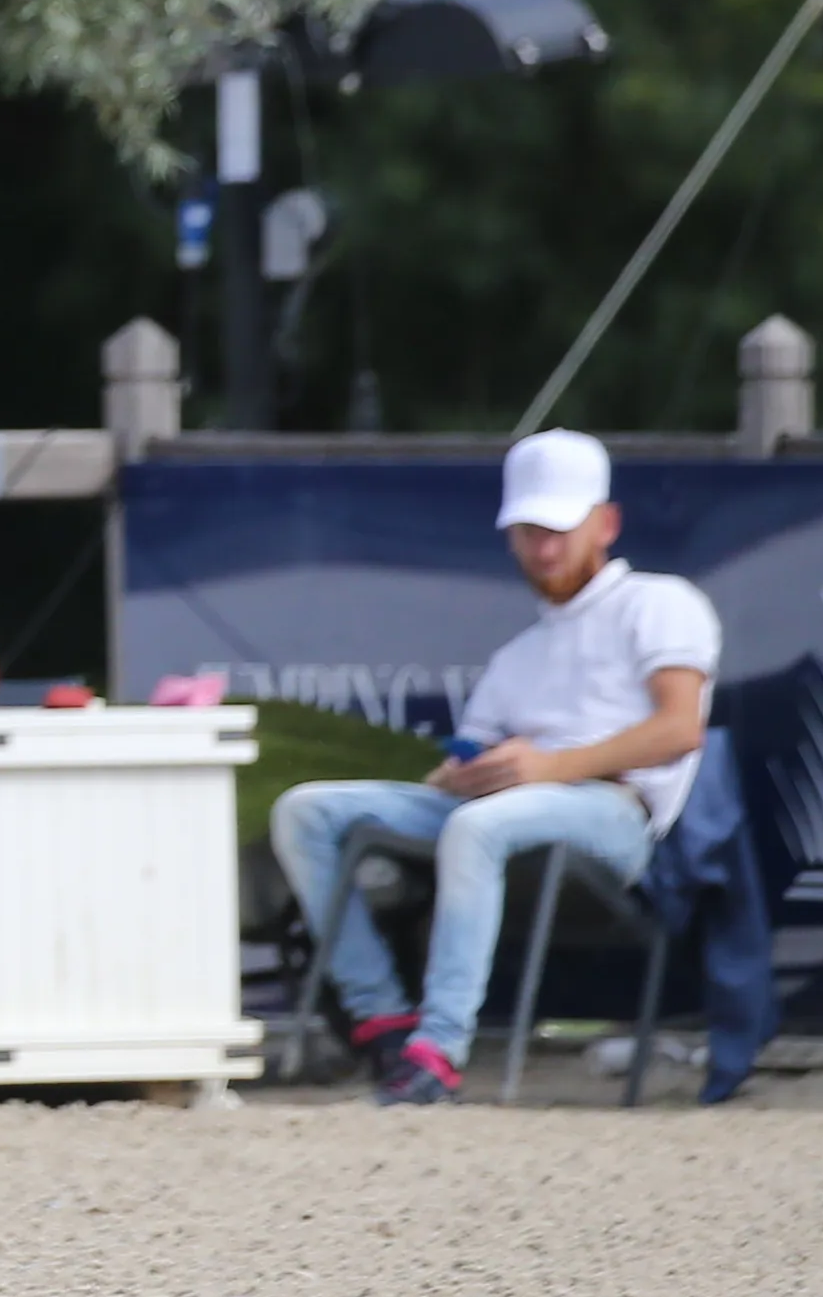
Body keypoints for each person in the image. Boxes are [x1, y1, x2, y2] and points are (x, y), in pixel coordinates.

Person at [267, 429, 718, 1106]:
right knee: (305, 809)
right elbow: (465, 759)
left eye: (557, 529)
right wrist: (459, 775)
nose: (541, 547)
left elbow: (679, 728)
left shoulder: (660, 601)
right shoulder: (517, 654)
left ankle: (436, 1053)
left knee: (476, 826)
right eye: (527, 530)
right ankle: (384, 1020)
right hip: (506, 808)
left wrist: (548, 766)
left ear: (606, 522)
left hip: (616, 815)